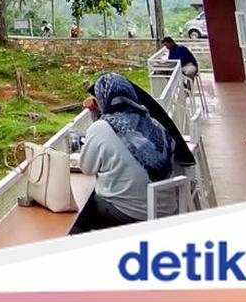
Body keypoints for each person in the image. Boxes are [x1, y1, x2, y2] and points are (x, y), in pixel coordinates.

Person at [69, 73, 176, 234]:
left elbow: (87, 168)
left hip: (130, 215)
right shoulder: (154, 124)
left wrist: (97, 116)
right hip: (166, 211)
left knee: (79, 210)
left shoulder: (101, 127)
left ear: (103, 100)